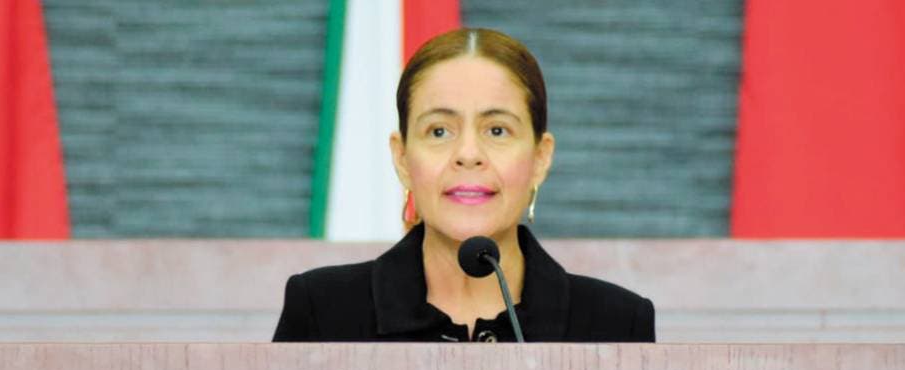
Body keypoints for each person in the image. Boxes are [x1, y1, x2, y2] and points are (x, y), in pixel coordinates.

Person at [274, 28, 654, 343]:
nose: (468, 154)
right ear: (402, 159)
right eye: (439, 131)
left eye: (497, 130)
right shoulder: (322, 313)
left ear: (540, 158)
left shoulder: (617, 325)